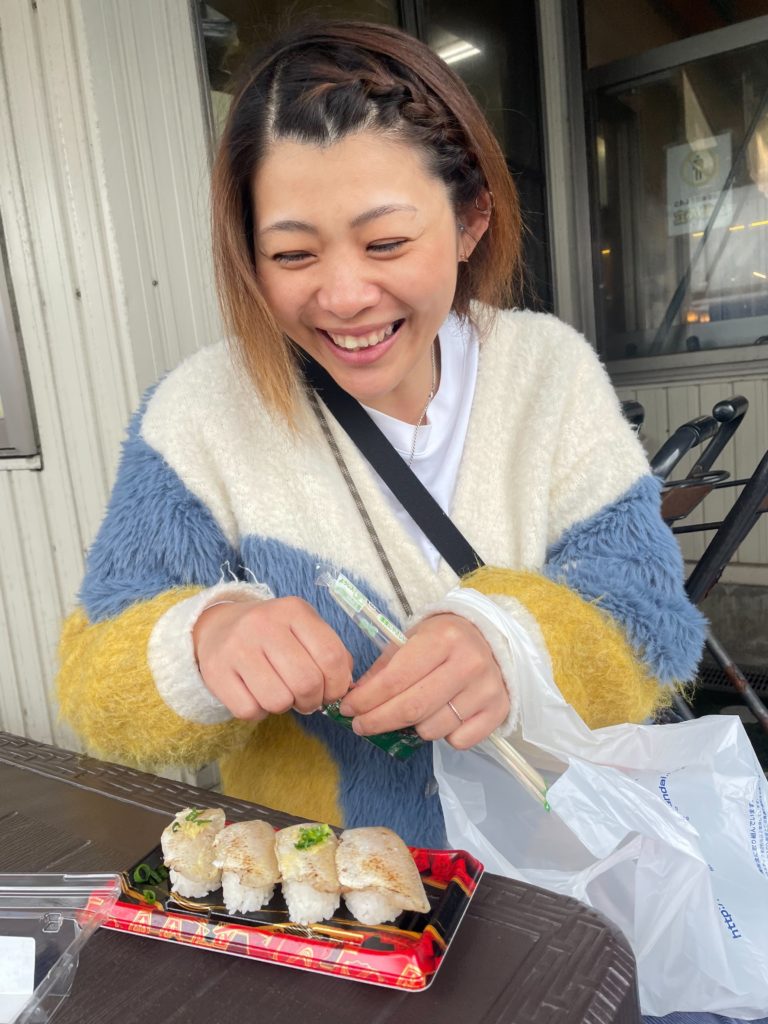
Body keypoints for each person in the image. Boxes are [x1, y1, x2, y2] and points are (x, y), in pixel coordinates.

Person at [58, 21, 703, 852]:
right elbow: (93, 681)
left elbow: (652, 624)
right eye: (292, 255)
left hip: (546, 876)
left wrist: (514, 645)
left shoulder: (549, 372)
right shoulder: (197, 416)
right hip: (324, 890)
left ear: (470, 220)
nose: (344, 296)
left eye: (387, 243)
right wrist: (202, 641)